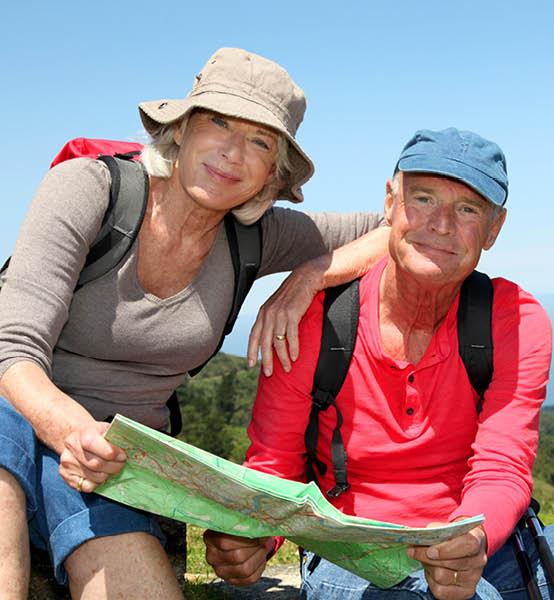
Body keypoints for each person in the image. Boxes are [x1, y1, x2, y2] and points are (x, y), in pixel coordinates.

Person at [0, 47, 391, 599]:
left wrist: (307, 279)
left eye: (260, 142)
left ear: (271, 174)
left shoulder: (256, 236)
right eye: (219, 122)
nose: (233, 152)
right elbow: (12, 347)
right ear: (180, 130)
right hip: (19, 417)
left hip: (117, 461)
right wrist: (73, 430)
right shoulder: (91, 188)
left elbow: (395, 224)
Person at [203, 128, 554, 599]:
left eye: (468, 209)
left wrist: (471, 540)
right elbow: (275, 462)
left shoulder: (513, 317)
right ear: (390, 203)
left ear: (494, 229)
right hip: (356, 552)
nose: (442, 224)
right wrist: (252, 538)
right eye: (424, 199)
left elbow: (503, 464)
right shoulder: (315, 318)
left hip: (482, 544)